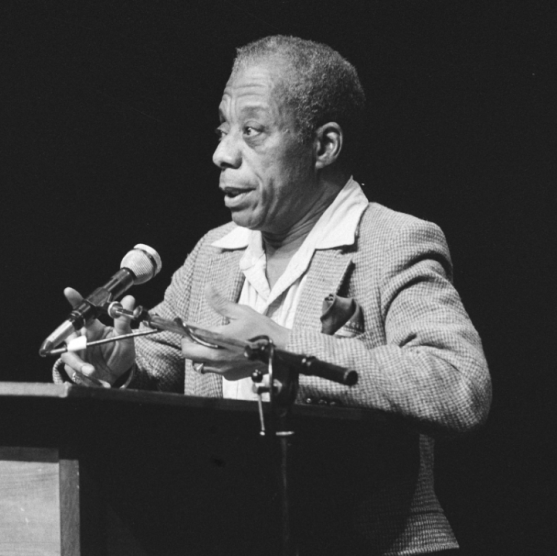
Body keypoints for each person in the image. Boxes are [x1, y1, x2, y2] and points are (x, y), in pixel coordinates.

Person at [54, 35, 491, 556]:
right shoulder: (215, 254)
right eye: (223, 129)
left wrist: (280, 347)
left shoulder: (393, 243)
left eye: (253, 131)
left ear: (323, 146)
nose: (222, 153)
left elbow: (458, 386)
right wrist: (116, 364)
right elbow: (168, 355)